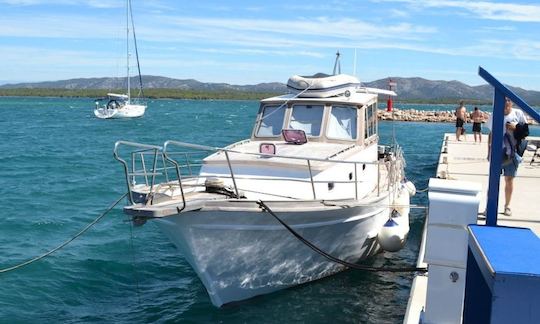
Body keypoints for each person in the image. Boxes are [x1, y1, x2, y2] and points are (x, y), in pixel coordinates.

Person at [487, 98, 528, 216]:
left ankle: (507, 206)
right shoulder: (494, 114)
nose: (506, 102)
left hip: (512, 152)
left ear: (512, 102)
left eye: (508, 100)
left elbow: (525, 131)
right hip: (497, 151)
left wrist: (515, 128)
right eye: (503, 100)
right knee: (493, 180)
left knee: (509, 179)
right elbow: (491, 133)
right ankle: (490, 207)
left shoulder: (518, 114)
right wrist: (488, 151)